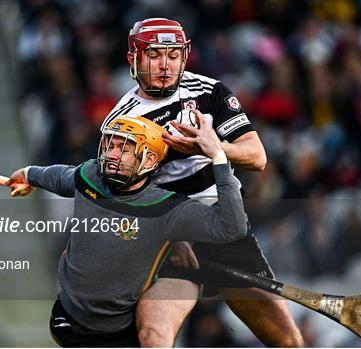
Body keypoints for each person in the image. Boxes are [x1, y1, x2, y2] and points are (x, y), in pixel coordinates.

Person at [101, 18, 304, 347]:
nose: (165, 65)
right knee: (153, 337)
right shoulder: (120, 122)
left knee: (289, 342)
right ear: (133, 59)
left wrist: (210, 148)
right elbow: (120, 199)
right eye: (153, 55)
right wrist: (168, 238)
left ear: (185, 56)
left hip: (224, 229)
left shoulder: (211, 93)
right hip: (167, 241)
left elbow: (257, 156)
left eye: (173, 55)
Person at [7, 115, 249, 347]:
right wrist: (29, 174)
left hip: (120, 334)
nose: (112, 155)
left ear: (152, 160)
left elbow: (233, 227)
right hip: (66, 321)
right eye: (110, 145)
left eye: (125, 150)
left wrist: (218, 157)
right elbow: (61, 177)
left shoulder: (169, 208)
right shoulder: (89, 175)